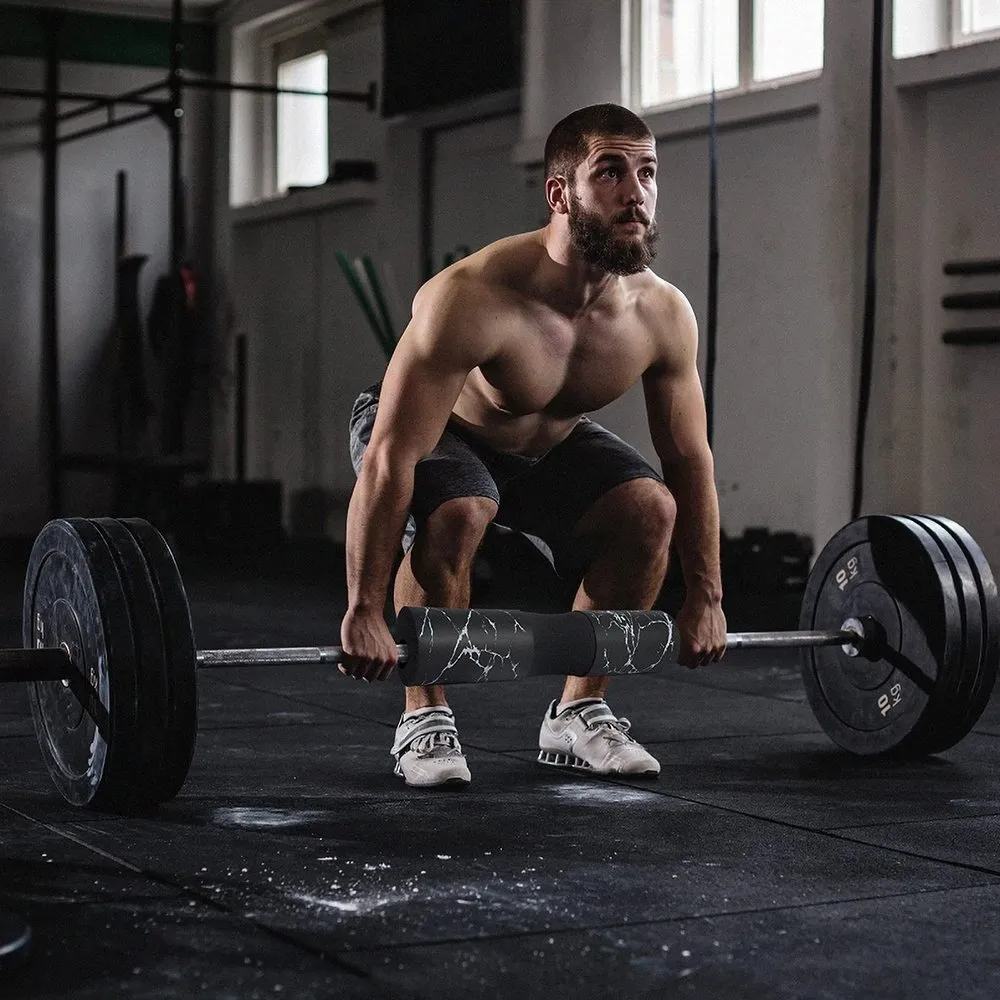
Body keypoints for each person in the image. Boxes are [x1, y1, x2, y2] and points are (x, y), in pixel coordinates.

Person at [341, 103, 727, 788]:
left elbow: (689, 461)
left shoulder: (661, 313)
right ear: (560, 193)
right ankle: (423, 716)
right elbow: (392, 458)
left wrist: (708, 596)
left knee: (650, 510)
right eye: (610, 172)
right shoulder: (471, 296)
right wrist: (364, 607)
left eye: (647, 172)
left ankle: (579, 711)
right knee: (460, 510)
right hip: (436, 431)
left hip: (546, 445)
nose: (635, 192)